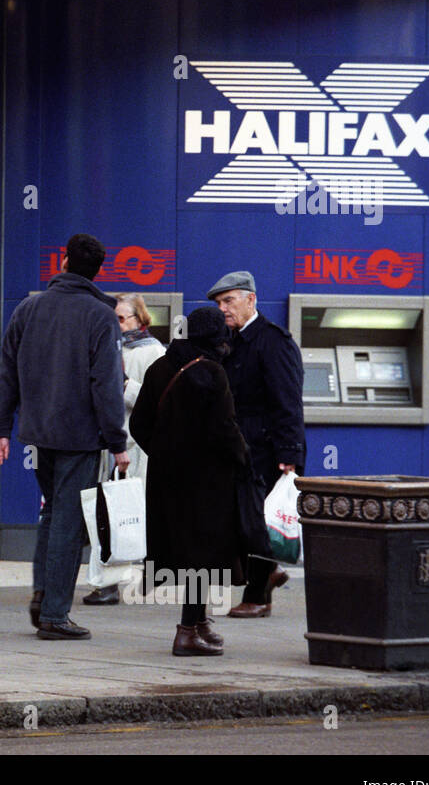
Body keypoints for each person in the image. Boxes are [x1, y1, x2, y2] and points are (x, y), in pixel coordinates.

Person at [0, 233, 129, 640]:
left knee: (52, 514)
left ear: (63, 261)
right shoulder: (100, 316)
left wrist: (1, 430)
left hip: (39, 432)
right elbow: (106, 383)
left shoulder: (29, 307)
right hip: (81, 436)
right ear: (97, 270)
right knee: (68, 520)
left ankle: (42, 595)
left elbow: (6, 372)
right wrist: (117, 441)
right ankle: (54, 614)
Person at [131, 307, 269, 656]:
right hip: (207, 483)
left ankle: (201, 621)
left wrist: (163, 454)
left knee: (187, 554)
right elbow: (225, 429)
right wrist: (244, 460)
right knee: (203, 557)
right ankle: (187, 632)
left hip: (166, 480)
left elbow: (139, 425)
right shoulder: (211, 372)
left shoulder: (160, 367)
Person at [207, 271, 306, 618]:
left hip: (266, 450)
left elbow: (288, 401)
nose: (222, 309)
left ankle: (258, 596)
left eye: (228, 300)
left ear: (251, 299)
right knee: (237, 520)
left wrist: (290, 454)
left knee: (257, 523)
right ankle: (269, 575)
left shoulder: (273, 341)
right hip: (236, 448)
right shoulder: (230, 341)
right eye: (219, 303)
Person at [82, 293, 165, 606]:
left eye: (121, 319)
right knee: (109, 512)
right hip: (107, 443)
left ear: (140, 320)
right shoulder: (104, 347)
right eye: (113, 318)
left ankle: (114, 582)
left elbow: (158, 402)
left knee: (124, 514)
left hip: (134, 447)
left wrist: (126, 385)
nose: (116, 325)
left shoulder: (153, 352)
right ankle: (110, 581)